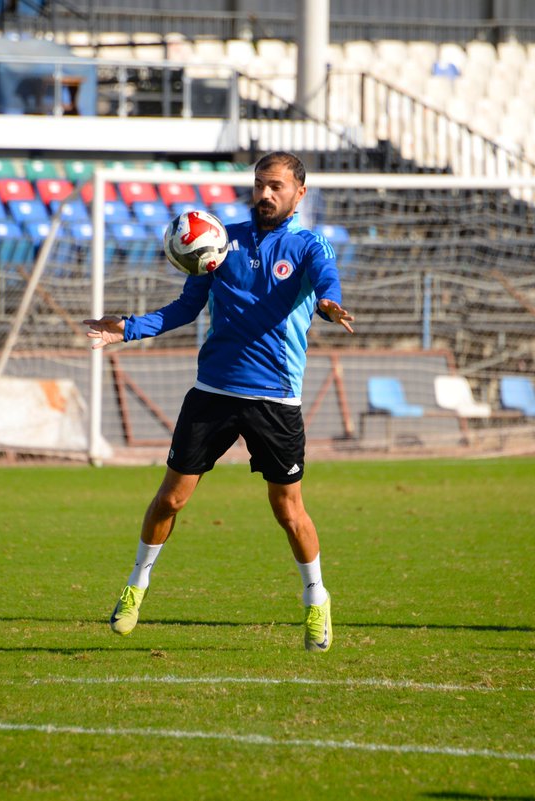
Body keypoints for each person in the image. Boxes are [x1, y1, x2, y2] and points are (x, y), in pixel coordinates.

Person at [83, 151, 355, 652]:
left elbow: (324, 280)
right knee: (171, 498)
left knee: (288, 508)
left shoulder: (309, 244)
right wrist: (128, 329)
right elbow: (187, 307)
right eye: (259, 185)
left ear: (299, 193)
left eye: (276, 186)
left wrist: (327, 302)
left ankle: (316, 599)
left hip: (276, 400)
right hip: (212, 394)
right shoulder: (219, 240)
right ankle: (136, 586)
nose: (265, 194)